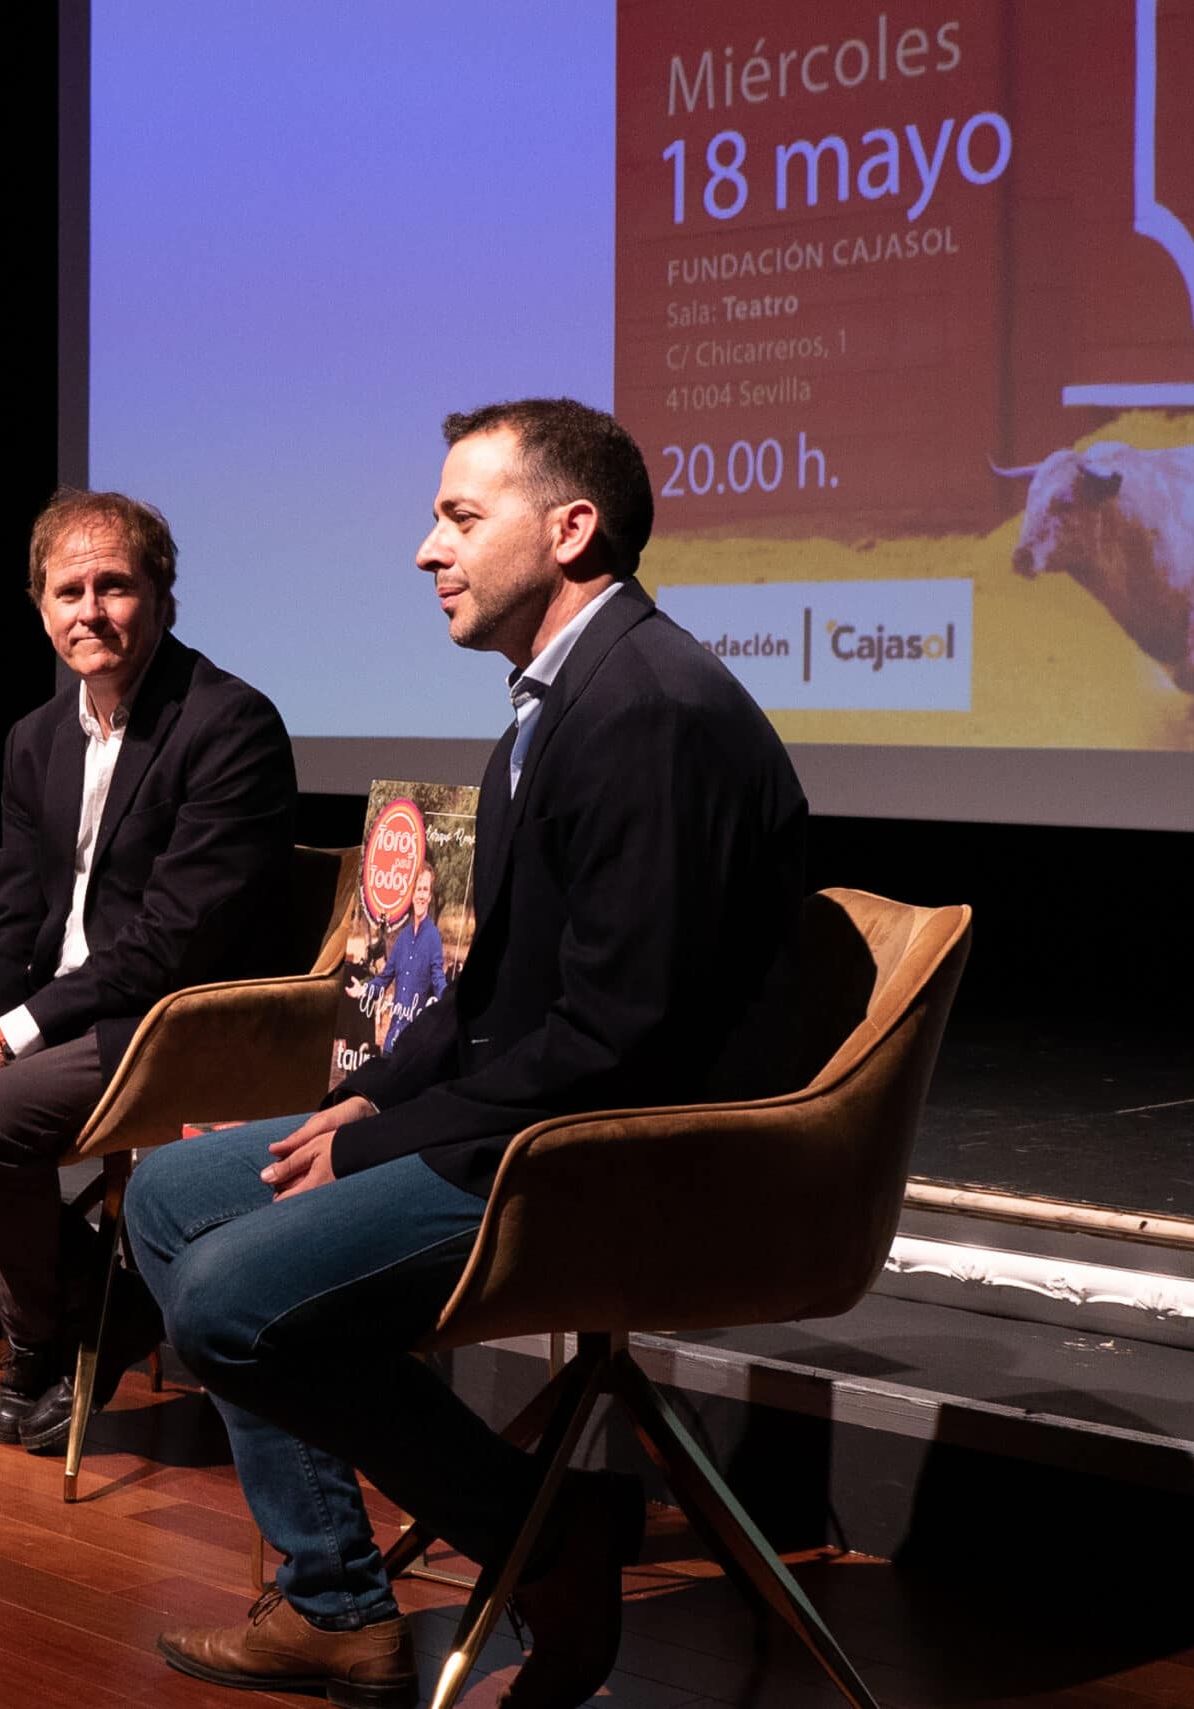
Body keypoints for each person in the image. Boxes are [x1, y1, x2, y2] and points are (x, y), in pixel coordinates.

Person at [131, 400, 807, 1709]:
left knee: (224, 1296)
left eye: (459, 515)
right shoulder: (555, 707)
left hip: (619, 1155)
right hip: (537, 1116)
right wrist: (364, 1100)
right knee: (167, 1196)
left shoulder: (649, 711)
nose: (424, 549)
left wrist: (382, 1144)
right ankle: (337, 1604)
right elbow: (497, 994)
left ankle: (545, 1533)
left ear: (570, 529)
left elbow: (618, 1038)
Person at [0, 487, 298, 1452]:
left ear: (160, 594)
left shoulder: (230, 724)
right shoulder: (35, 738)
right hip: (56, 1016)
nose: (91, 611)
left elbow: (168, 943)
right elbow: (10, 922)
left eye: (113, 586)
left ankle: (36, 1329)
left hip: (163, 1025)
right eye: (68, 591)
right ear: (40, 608)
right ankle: (99, 1299)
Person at [358, 857, 445, 1052]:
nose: (421, 895)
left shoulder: (433, 937)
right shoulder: (403, 938)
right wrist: (364, 990)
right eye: (418, 889)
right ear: (411, 894)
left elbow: (438, 978)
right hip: (392, 1041)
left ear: (430, 896)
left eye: (425, 890)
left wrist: (450, 999)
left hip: (414, 1043)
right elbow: (384, 978)